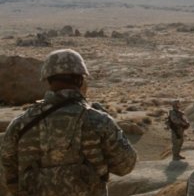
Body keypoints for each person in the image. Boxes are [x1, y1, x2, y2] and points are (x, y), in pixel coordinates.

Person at [1, 49, 137, 195]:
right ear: (80, 80)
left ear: (48, 80)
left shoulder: (20, 125)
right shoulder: (99, 121)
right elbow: (126, 166)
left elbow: (8, 175)